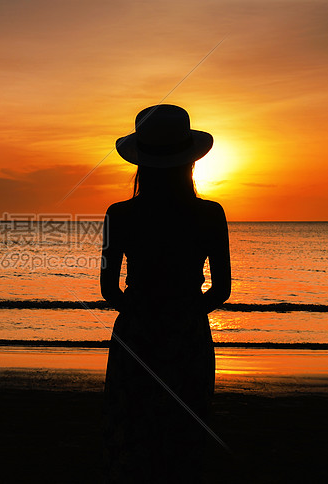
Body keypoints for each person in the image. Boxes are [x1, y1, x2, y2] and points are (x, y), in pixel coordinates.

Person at [100, 104, 231, 483]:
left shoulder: (120, 214)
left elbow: (109, 289)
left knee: (132, 434)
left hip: (136, 334)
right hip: (188, 334)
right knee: (184, 437)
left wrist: (144, 311)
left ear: (140, 162)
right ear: (189, 161)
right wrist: (185, 312)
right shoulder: (209, 214)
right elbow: (220, 289)